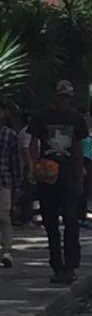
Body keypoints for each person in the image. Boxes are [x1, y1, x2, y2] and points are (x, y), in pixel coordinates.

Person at [29, 80, 88, 284]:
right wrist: (34, 167)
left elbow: (79, 147)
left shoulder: (77, 119)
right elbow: (33, 144)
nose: (64, 100)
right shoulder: (42, 117)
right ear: (56, 96)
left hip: (69, 176)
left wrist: (80, 175)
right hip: (48, 176)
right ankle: (57, 265)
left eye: (67, 96)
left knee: (71, 220)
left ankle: (70, 265)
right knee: (50, 223)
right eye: (61, 96)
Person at [0, 102, 22, 268]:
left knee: (4, 216)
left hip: (4, 180)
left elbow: (15, 162)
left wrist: (17, 184)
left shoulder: (10, 135)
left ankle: (6, 250)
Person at [78, 106, 92, 229]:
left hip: (88, 160)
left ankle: (82, 216)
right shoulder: (79, 132)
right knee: (81, 191)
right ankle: (80, 217)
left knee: (85, 191)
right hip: (82, 161)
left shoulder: (86, 132)